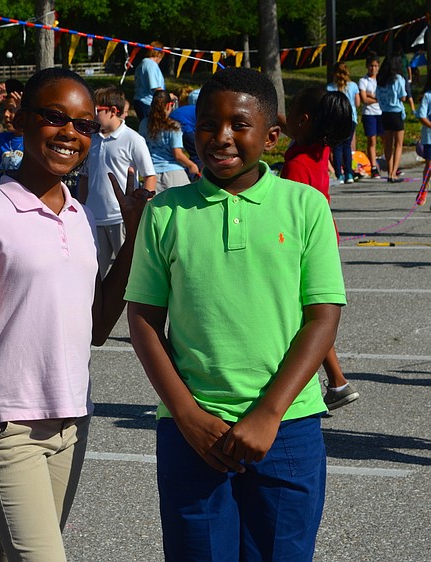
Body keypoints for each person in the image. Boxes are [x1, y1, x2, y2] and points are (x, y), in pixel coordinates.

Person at [126, 67, 345, 561]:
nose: (220, 137)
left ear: (272, 136)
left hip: (287, 426)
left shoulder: (305, 205)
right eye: (207, 124)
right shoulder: (166, 212)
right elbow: (142, 319)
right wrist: (185, 413)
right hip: (192, 432)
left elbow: (323, 316)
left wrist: (268, 415)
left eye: (238, 124)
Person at [0, 67, 149, 562]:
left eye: (84, 125)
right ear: (22, 120)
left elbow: (98, 326)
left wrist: (135, 237)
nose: (70, 134)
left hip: (73, 420)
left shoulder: (78, 216)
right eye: (55, 118)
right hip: (8, 424)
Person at [280, 86, 360, 410]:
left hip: (305, 239)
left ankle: (326, 384)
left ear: (305, 120)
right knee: (312, 312)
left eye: (293, 108)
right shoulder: (319, 147)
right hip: (325, 233)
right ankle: (337, 383)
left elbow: (290, 212)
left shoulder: (297, 162)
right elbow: (290, 123)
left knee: (304, 316)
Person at [78, 85, 156, 277]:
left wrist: (139, 209)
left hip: (121, 218)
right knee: (94, 275)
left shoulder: (133, 139)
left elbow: (150, 177)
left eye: (97, 111)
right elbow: (85, 177)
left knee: (128, 274)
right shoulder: (92, 139)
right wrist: (81, 208)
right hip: (94, 218)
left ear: (113, 111)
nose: (92, 115)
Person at [140, 89, 200, 192]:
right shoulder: (173, 126)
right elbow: (177, 155)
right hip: (174, 173)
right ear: (169, 105)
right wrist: (192, 165)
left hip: (151, 173)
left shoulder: (144, 124)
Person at [376, 56, 415, 183]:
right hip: (396, 113)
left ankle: (389, 171)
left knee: (388, 144)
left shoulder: (380, 80)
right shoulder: (398, 79)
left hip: (384, 112)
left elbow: (377, 96)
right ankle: (394, 173)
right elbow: (403, 96)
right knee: (398, 145)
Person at [326, 62, 361, 184]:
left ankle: (339, 174)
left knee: (337, 147)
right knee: (347, 146)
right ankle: (349, 173)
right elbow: (357, 103)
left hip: (336, 119)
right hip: (350, 118)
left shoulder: (330, 87)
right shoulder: (353, 86)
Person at [359, 52, 383, 179]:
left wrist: (373, 97)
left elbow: (383, 95)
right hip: (370, 113)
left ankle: (389, 163)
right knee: (372, 139)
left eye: (375, 66)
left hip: (381, 112)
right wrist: (377, 99)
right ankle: (373, 166)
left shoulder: (381, 79)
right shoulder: (363, 81)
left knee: (386, 138)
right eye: (371, 66)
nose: (373, 68)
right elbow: (364, 99)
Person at [169, 86, 202, 168]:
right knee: (198, 154)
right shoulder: (209, 113)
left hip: (174, 123)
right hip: (184, 127)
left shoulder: (197, 108)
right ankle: (195, 174)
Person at [133, 42, 166, 120]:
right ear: (159, 54)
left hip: (141, 101)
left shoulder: (144, 63)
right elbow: (155, 87)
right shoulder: (150, 65)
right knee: (148, 129)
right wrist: (167, 96)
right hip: (146, 102)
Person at [414, 78, 431, 206]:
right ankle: (424, 188)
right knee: (430, 164)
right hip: (429, 137)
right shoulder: (427, 96)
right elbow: (421, 115)